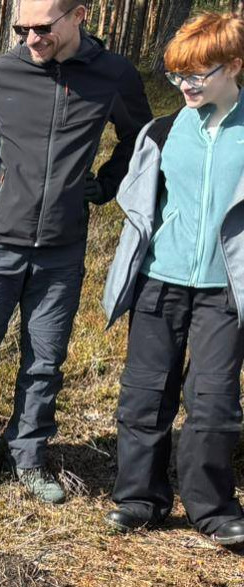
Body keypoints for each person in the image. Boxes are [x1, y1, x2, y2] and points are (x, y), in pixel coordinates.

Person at [0, 0, 152, 504]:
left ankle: (28, 457)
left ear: (80, 16)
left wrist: (108, 183)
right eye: (21, 28)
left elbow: (139, 137)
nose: (31, 38)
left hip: (62, 250)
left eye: (43, 27)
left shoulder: (113, 76)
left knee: (45, 361)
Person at [100, 12, 244, 549]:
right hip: (160, 283)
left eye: (197, 74)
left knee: (213, 401)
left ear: (233, 66)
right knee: (144, 394)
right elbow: (140, 208)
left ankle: (212, 509)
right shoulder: (160, 131)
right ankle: (139, 500)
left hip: (223, 292)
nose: (184, 85)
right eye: (176, 75)